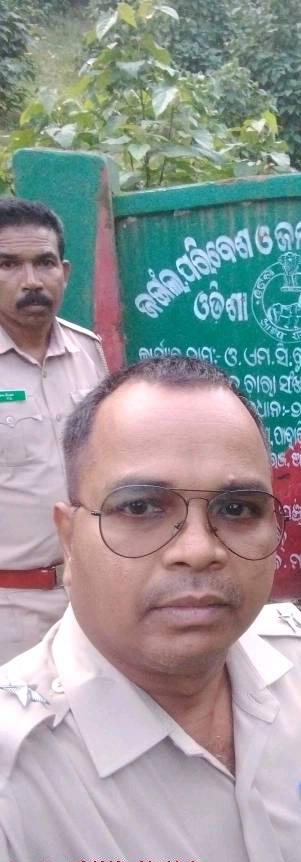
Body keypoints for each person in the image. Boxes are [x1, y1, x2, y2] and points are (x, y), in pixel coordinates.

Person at [0, 357, 301, 862]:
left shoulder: (298, 665)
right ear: (68, 538)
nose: (198, 550)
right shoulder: (16, 786)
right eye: (140, 507)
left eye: (237, 509)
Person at [0, 198, 107, 661]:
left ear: (64, 272)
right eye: (8, 264)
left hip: (92, 597)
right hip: (9, 608)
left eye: (44, 262)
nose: (31, 281)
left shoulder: (89, 353)